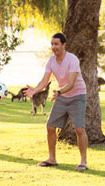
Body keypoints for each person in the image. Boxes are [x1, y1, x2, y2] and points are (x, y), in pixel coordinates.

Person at [24, 33, 88, 171]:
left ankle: (83, 162)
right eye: (52, 44)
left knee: (79, 129)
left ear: (64, 44)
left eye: (56, 44)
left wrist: (59, 92)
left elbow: (71, 83)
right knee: (50, 126)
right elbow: (44, 80)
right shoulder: (51, 61)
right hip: (62, 97)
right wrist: (35, 90)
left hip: (77, 96)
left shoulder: (72, 60)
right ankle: (52, 159)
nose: (54, 47)